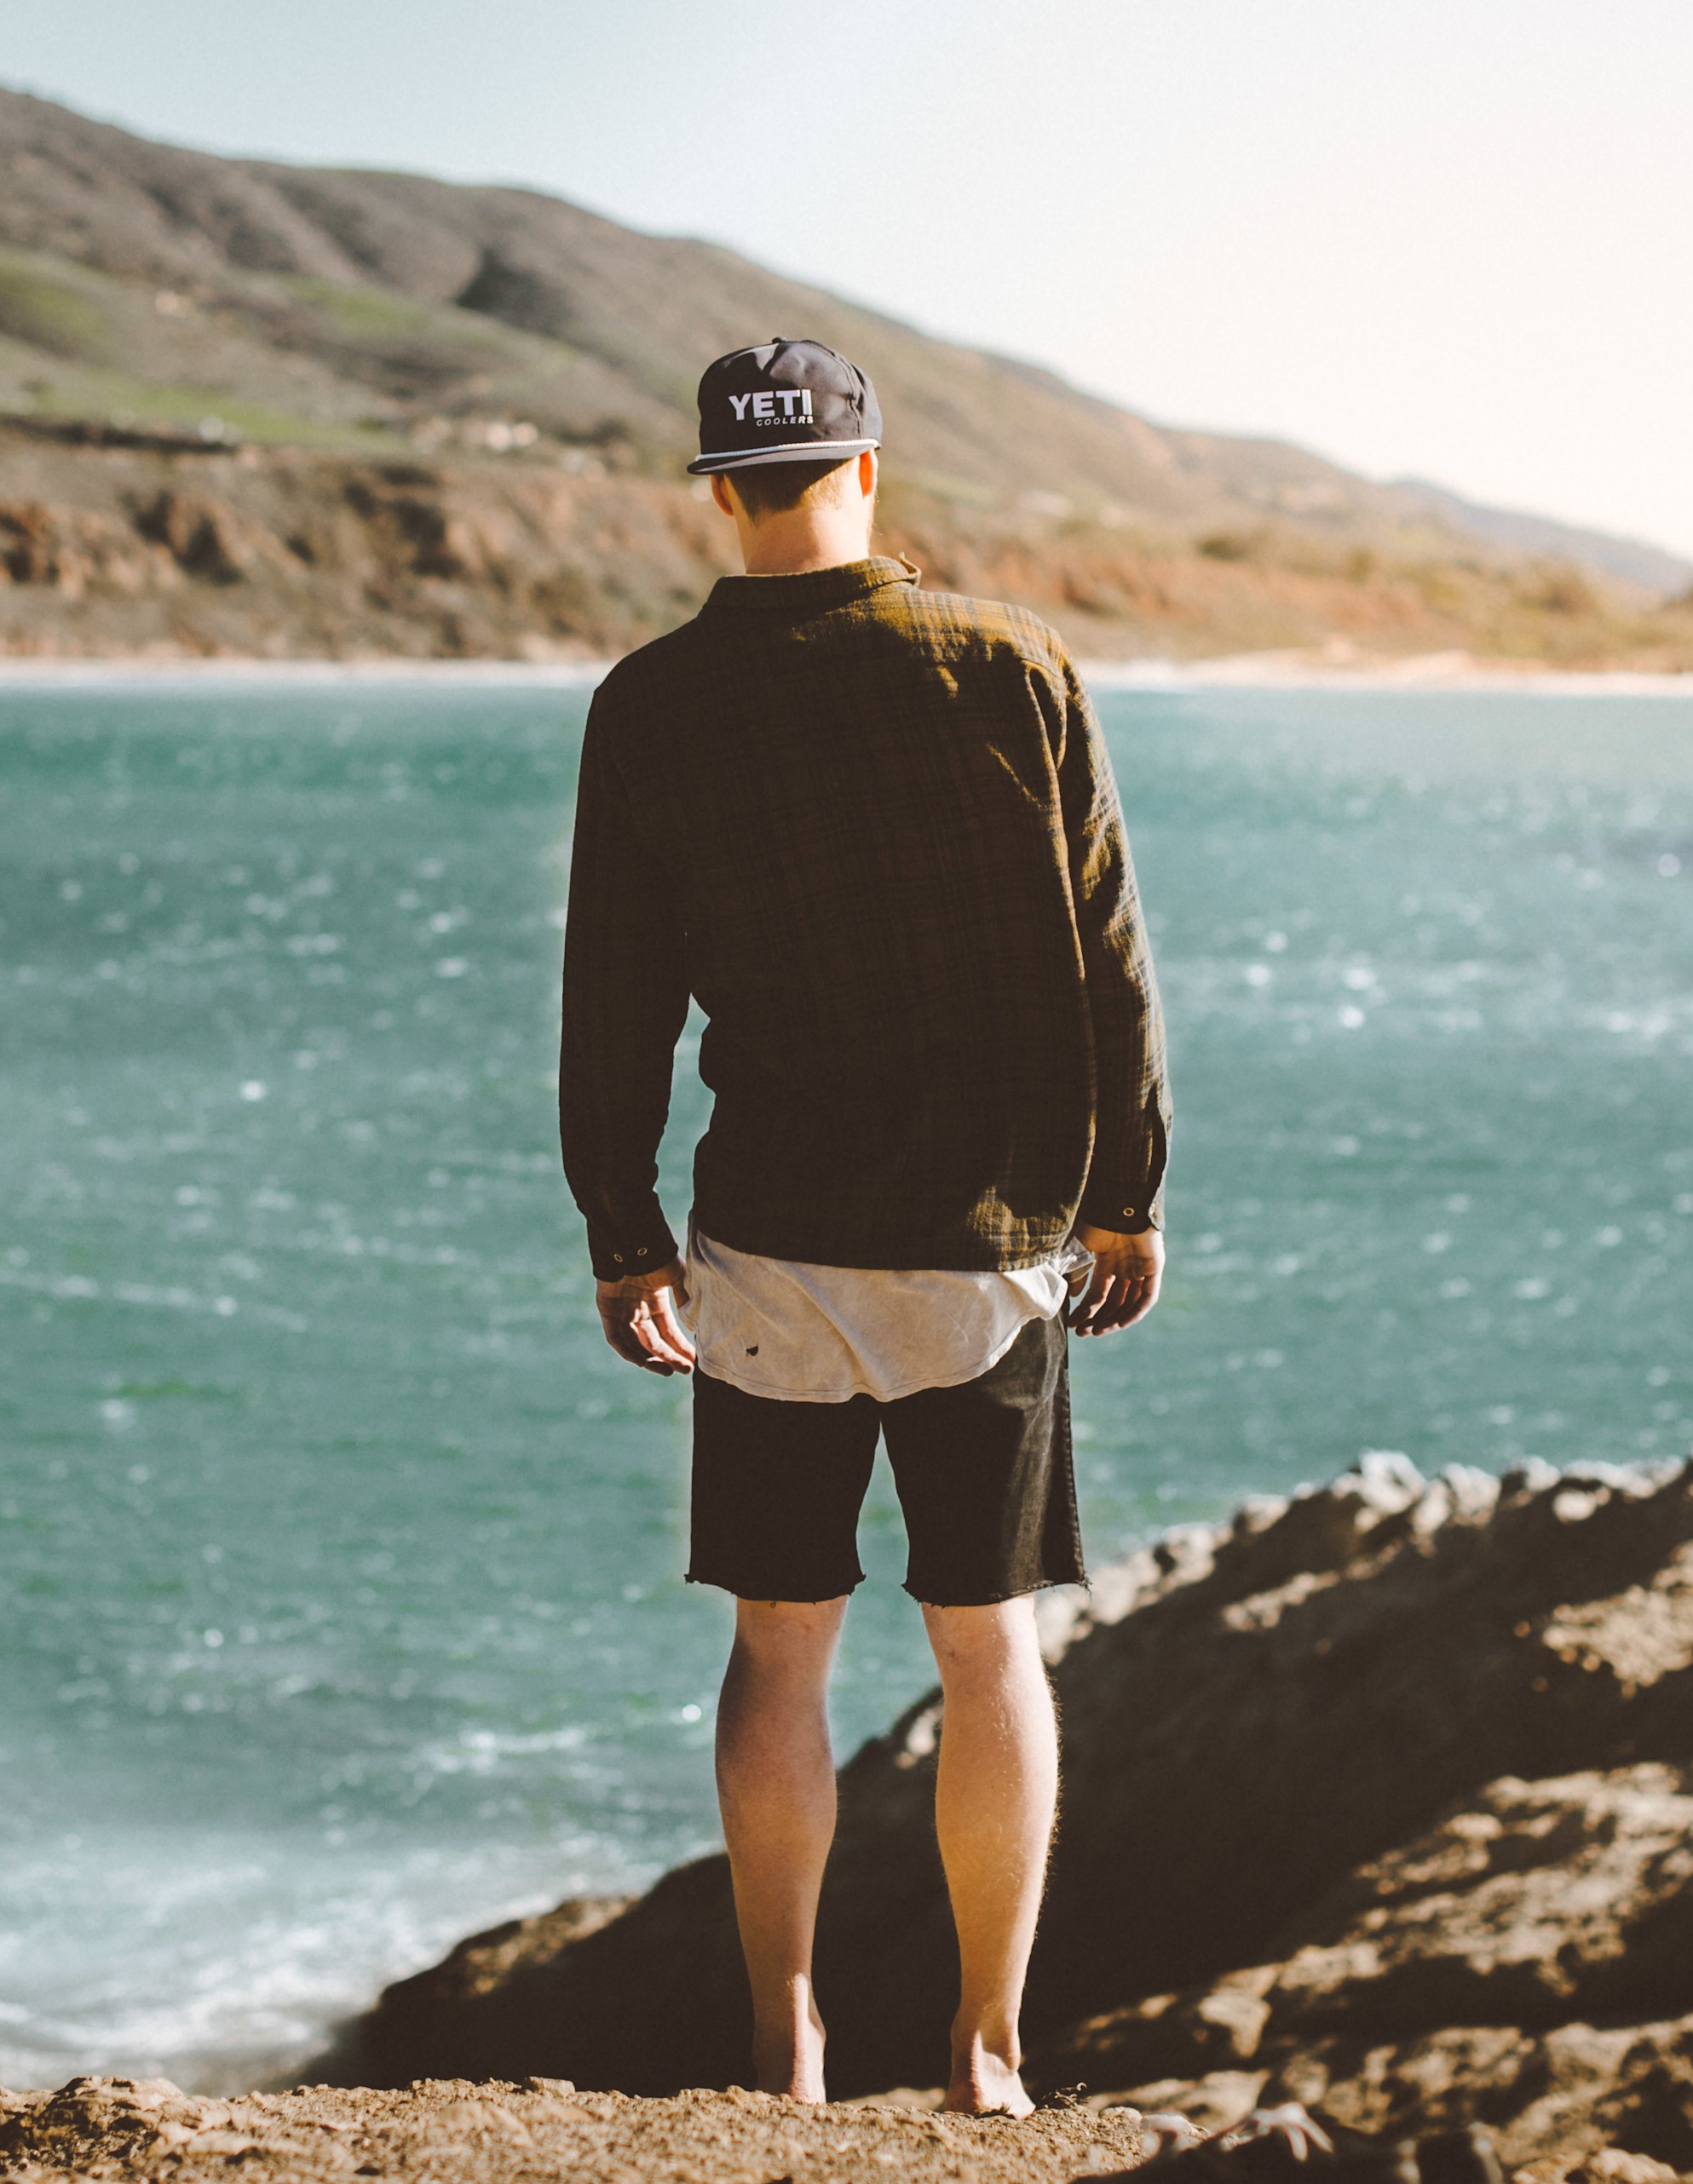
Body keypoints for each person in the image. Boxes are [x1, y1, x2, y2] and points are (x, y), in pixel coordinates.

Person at [558, 336, 1171, 2116]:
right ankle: (987, 2049)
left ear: (720, 491)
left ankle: (785, 2043)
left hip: (766, 1255)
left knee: (777, 1643)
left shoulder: (652, 703)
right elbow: (1107, 963)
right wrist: (1125, 1190)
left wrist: (623, 1225)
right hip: (984, 1254)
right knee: (989, 1647)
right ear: (869, 473)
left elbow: (617, 1001)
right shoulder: (1013, 666)